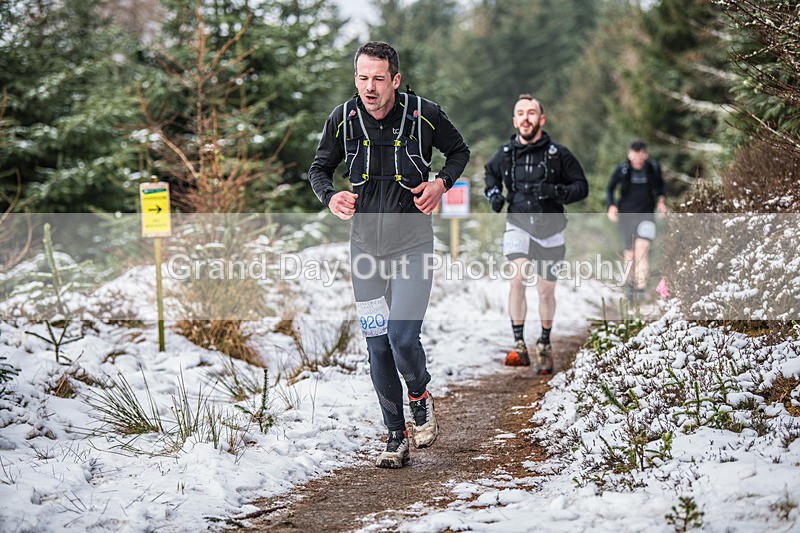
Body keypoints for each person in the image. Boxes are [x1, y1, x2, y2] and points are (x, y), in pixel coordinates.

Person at [308, 41, 470, 468]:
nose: (370, 87)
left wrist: (441, 183)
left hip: (413, 246)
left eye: (379, 78)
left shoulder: (424, 114)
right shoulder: (342, 119)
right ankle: (396, 436)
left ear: (395, 80)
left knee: (402, 337)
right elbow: (319, 169)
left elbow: (459, 151)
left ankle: (419, 395)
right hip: (365, 251)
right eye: (363, 77)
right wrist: (330, 197)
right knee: (377, 345)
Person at [484, 94, 588, 374]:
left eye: (531, 113)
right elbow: (490, 174)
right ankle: (519, 344)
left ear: (541, 119)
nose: (526, 118)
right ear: (514, 120)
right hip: (517, 224)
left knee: (545, 292)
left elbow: (581, 187)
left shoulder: (558, 155)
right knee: (517, 279)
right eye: (520, 113)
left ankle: (544, 342)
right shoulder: (505, 154)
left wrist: (556, 191)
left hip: (550, 230)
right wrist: (494, 194)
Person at [606, 139, 667, 305]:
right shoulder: (622, 169)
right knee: (630, 254)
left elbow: (660, 188)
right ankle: (631, 287)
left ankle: (641, 290)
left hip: (646, 215)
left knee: (642, 250)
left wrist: (661, 202)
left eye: (641, 156)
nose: (638, 159)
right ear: (629, 155)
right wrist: (611, 206)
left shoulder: (653, 168)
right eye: (635, 156)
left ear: (645, 155)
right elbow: (610, 188)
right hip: (626, 217)